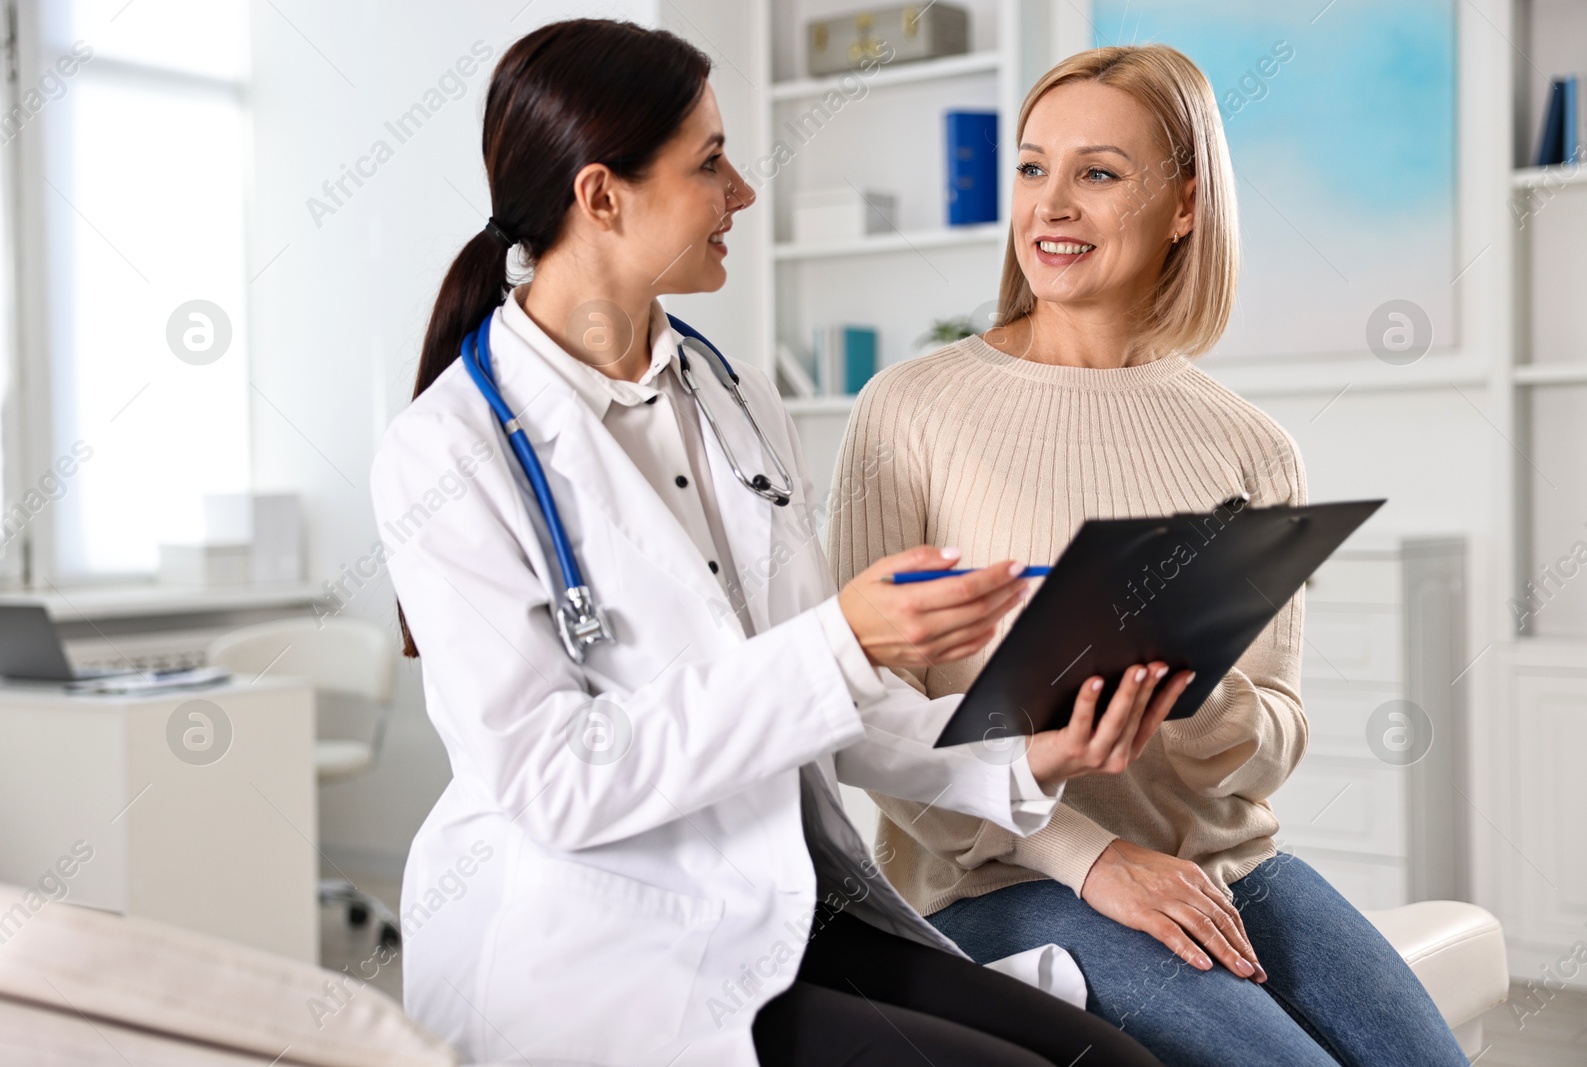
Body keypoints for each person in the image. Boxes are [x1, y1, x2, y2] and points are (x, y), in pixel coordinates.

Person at [370, 19, 1181, 1067]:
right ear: (601, 196)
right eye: (710, 162)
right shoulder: (446, 452)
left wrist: (1023, 756)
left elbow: (829, 706)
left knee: (1115, 1061)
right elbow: (555, 781)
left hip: (787, 899)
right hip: (604, 942)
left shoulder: (737, 401)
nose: (742, 192)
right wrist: (842, 640)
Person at [827, 43, 1470, 1067]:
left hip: (1228, 861)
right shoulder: (911, 411)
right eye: (1033, 168)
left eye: (1098, 172)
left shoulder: (1249, 446)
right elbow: (867, 712)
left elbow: (1276, 735)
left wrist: (1199, 694)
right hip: (1004, 881)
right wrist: (1092, 856)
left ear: (1184, 204)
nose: (1051, 205)